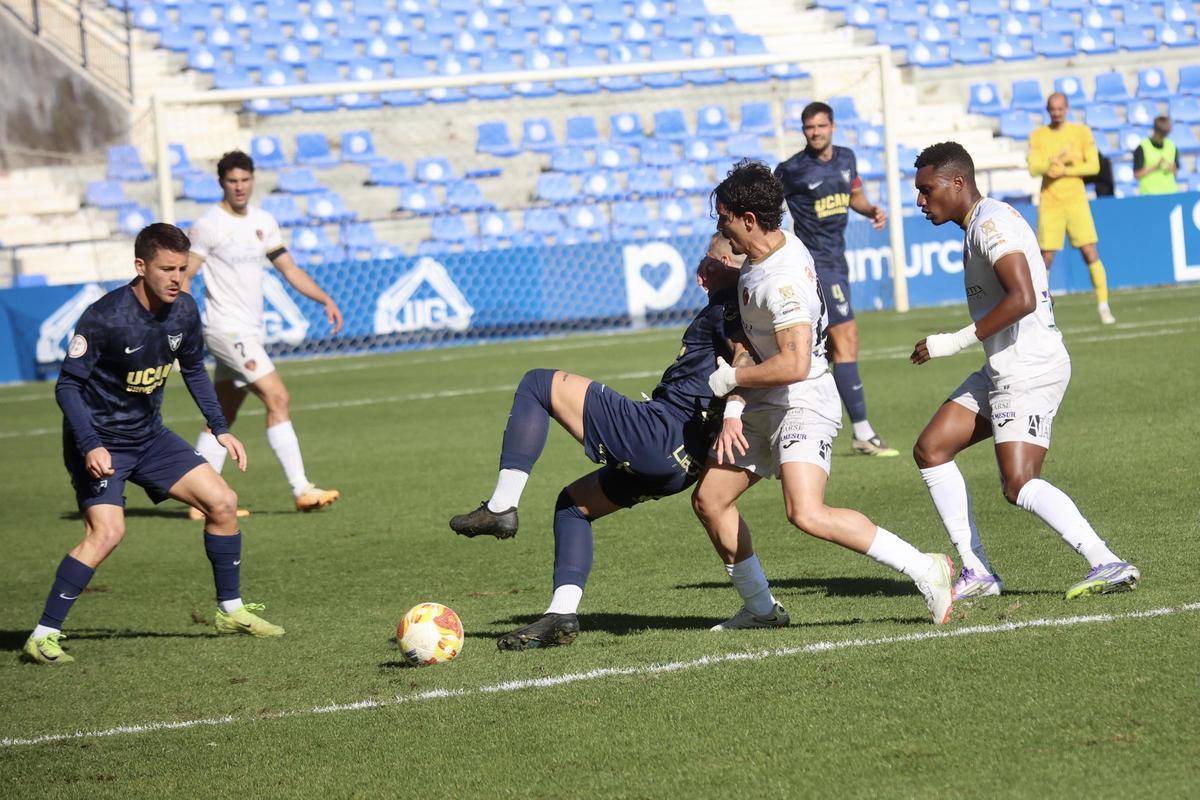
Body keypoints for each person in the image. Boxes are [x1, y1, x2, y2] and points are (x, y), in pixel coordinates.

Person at [448, 234, 745, 650]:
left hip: (659, 432)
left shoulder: (732, 307)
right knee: (573, 506)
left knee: (537, 384)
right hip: (683, 464)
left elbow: (745, 355)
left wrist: (733, 411)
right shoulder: (739, 306)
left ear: (731, 265)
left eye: (709, 262)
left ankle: (501, 506)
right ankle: (561, 614)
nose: (700, 273)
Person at [694, 160, 954, 630]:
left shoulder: (783, 282)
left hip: (802, 400)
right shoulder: (766, 250)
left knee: (806, 512)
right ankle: (761, 610)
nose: (720, 228)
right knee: (711, 499)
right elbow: (752, 326)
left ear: (749, 220)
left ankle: (925, 567)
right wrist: (724, 273)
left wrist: (729, 383)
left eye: (725, 219)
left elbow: (793, 364)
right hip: (764, 398)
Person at [22, 224, 284, 665]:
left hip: (149, 437)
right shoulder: (105, 317)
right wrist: (90, 444)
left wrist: (220, 427)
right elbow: (67, 386)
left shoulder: (184, 311)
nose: (177, 278)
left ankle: (231, 611)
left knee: (223, 502)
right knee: (107, 533)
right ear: (141, 267)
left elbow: (194, 369)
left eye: (182, 268)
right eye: (167, 269)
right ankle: (43, 635)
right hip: (101, 443)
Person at [909, 141, 1139, 601]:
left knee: (1018, 483)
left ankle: (1106, 561)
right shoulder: (977, 223)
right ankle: (977, 571)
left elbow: (1023, 298)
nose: (920, 200)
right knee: (932, 449)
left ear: (958, 182)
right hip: (1003, 365)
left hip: (1029, 368)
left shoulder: (991, 224)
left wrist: (951, 342)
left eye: (927, 189)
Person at [184, 150, 343, 516]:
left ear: (253, 180)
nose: (239, 187)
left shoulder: (264, 221)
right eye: (232, 181)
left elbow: (289, 269)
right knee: (278, 397)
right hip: (225, 329)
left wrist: (324, 299)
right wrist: (182, 324)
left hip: (248, 331)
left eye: (245, 180)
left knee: (222, 414)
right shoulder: (208, 225)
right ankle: (302, 488)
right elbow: (187, 275)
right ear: (221, 183)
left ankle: (199, 500)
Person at [774, 101, 898, 457]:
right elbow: (767, 205)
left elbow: (855, 194)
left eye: (821, 126)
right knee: (846, 338)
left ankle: (800, 421)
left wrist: (871, 209)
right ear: (804, 131)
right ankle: (862, 432)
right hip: (815, 265)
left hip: (837, 261)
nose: (815, 133)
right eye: (809, 127)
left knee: (824, 348)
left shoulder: (846, 158)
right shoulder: (791, 170)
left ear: (832, 127)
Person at [1027, 93, 1117, 325]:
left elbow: (1094, 166)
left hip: (1076, 201)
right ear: (1048, 110)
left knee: (1090, 252)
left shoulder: (1081, 132)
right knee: (1045, 258)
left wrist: (1066, 169)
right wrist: (1053, 161)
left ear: (1067, 109)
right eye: (1052, 109)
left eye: (1060, 109)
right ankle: (1040, 309)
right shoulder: (1038, 135)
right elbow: (1034, 168)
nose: (1056, 113)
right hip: (1050, 202)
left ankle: (1103, 305)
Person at [1133, 116, 1181, 196]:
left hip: (1170, 193)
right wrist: (1156, 167)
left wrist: (1171, 168)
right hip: (1150, 195)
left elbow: (1176, 172)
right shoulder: (1142, 147)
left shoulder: (1172, 146)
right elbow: (1137, 174)